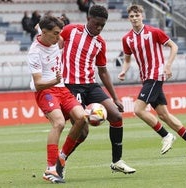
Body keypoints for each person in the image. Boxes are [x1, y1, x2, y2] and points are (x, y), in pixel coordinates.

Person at [59, 4, 136, 177]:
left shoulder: (100, 43)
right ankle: (61, 159)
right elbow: (53, 47)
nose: (99, 28)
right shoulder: (71, 31)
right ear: (88, 19)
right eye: (96, 24)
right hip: (71, 86)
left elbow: (102, 70)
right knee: (83, 131)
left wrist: (115, 98)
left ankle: (117, 161)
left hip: (91, 85)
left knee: (116, 115)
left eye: (103, 25)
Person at [118, 4, 186, 157]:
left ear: (142, 16)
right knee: (164, 115)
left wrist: (168, 66)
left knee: (138, 110)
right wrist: (124, 71)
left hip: (155, 75)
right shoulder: (127, 39)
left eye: (137, 15)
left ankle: (166, 135)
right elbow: (127, 60)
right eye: (132, 16)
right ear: (129, 18)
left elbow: (174, 46)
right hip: (146, 78)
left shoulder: (154, 32)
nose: (135, 18)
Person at [26, 15, 88, 183]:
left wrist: (55, 20)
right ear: (44, 33)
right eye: (55, 34)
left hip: (62, 89)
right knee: (59, 123)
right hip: (46, 91)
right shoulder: (34, 52)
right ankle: (50, 169)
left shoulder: (47, 32)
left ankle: (61, 157)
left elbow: (39, 25)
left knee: (82, 118)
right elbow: (38, 84)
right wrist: (54, 80)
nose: (59, 37)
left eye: (59, 33)